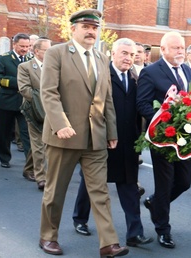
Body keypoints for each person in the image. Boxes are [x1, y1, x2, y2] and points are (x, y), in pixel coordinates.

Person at [38, 9, 128, 257]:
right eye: (86, 27)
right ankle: (48, 236)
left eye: (94, 28)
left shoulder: (101, 57)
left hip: (95, 138)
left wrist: (111, 131)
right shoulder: (57, 53)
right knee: (55, 191)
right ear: (73, 29)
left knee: (100, 192)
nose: (91, 31)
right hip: (63, 136)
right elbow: (49, 92)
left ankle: (108, 243)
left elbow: (106, 99)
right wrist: (60, 123)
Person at [71, 38, 154, 247]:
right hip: (102, 142)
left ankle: (135, 233)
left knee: (129, 187)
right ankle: (80, 219)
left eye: (132, 54)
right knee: (91, 184)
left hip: (127, 143)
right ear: (113, 54)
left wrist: (140, 136)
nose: (129, 58)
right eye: (124, 53)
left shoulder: (136, 78)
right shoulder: (101, 75)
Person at [137, 31, 191, 249]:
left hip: (185, 138)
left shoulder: (188, 71)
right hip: (162, 137)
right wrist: (162, 122)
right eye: (176, 48)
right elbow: (142, 103)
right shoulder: (150, 72)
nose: (181, 51)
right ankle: (163, 229)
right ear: (163, 50)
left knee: (184, 182)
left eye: (182, 47)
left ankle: (155, 204)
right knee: (165, 183)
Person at [0, 33, 31, 170]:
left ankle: (31, 162)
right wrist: (18, 83)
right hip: (7, 101)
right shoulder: (4, 58)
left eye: (27, 46)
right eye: (22, 46)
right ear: (15, 44)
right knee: (4, 133)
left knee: (27, 133)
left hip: (25, 102)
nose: (25, 49)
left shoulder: (30, 59)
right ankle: (4, 158)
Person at [17, 38, 50, 190]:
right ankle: (41, 177)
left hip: (51, 111)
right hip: (34, 110)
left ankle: (28, 168)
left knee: (42, 143)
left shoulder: (54, 67)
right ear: (36, 51)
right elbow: (25, 90)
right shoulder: (25, 67)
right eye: (46, 50)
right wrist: (45, 98)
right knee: (39, 144)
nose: (50, 53)